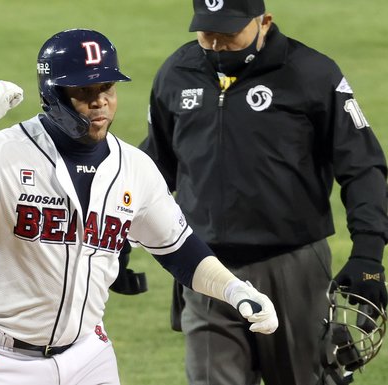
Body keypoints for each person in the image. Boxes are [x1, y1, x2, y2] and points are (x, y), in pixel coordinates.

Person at [0, 28, 278, 385]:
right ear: (52, 95)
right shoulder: (1, 155)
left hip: (88, 358)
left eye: (107, 87)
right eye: (84, 91)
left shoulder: (134, 167)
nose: (100, 102)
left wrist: (235, 290)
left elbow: (181, 249)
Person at [140, 1, 388, 384]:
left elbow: (362, 166)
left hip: (293, 266)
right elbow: (153, 169)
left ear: (264, 22)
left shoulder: (310, 73)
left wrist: (369, 254)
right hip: (206, 267)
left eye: (229, 34)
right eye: (208, 34)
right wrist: (117, 237)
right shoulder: (177, 73)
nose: (218, 45)